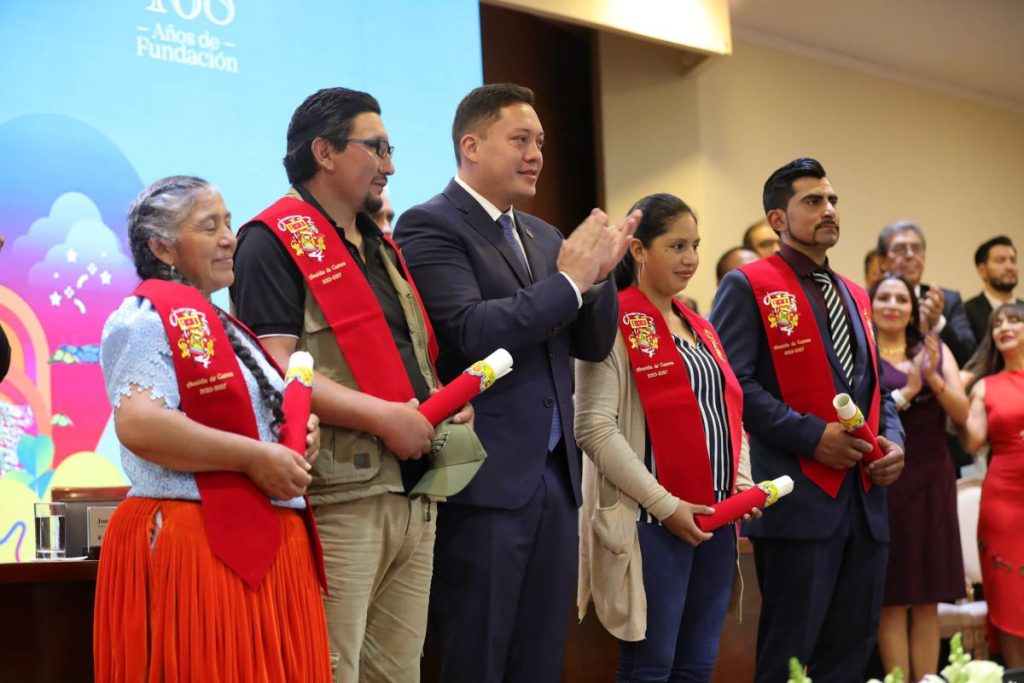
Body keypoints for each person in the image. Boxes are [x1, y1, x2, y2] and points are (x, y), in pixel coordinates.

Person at [395, 83, 639, 683]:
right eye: (520, 140)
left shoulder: (543, 235)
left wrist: (600, 278)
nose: (535, 154)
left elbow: (586, 343)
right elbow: (469, 331)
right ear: (471, 146)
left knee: (539, 658)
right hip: (484, 479)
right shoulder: (429, 224)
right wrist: (569, 284)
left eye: (541, 142)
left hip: (554, 479)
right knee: (476, 654)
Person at [231, 87, 474, 683]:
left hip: (414, 491)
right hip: (339, 496)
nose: (390, 166)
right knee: (328, 669)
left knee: (397, 673)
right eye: (378, 148)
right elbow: (274, 371)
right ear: (325, 152)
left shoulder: (381, 246)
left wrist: (441, 402)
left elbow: (409, 355)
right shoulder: (269, 240)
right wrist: (385, 416)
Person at [94, 176, 330, 682]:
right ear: (162, 247)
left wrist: (290, 436)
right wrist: (253, 456)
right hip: (198, 545)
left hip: (262, 545)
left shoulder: (224, 324)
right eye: (210, 227)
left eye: (228, 222)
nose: (230, 237)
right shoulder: (144, 320)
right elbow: (140, 424)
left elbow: (251, 422)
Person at [709, 158, 905, 683]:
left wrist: (894, 439)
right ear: (778, 219)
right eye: (813, 202)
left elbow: (878, 389)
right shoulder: (747, 284)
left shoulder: (855, 293)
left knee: (852, 653)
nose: (829, 211)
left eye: (832, 200)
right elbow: (735, 385)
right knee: (791, 656)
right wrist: (811, 435)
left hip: (865, 502)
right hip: (800, 500)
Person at [576, 193, 758, 683]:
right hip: (651, 521)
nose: (691, 259)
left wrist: (741, 483)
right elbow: (592, 426)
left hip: (715, 518)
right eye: (676, 246)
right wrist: (664, 504)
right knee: (650, 669)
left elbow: (729, 411)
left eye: (695, 245)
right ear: (637, 250)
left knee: (697, 668)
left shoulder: (700, 326)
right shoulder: (610, 320)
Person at [869, 272, 969, 680]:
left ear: (913, 309)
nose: (893, 305)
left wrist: (932, 380)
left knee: (927, 596)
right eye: (884, 298)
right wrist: (908, 391)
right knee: (891, 597)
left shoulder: (932, 347)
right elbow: (859, 415)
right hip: (885, 480)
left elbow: (962, 414)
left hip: (931, 477)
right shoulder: (861, 349)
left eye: (902, 299)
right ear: (870, 306)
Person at [959, 302, 1024, 668]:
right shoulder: (984, 385)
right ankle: (1016, 673)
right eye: (997, 323)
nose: (1004, 327)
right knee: (1011, 594)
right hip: (1004, 500)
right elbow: (972, 442)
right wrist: (952, 393)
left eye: (1014, 320)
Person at [877, 221, 976, 366]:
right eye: (900, 249)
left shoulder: (947, 300)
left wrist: (937, 322)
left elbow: (970, 355)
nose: (910, 255)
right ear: (882, 261)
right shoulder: (867, 300)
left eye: (916, 249)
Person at [964, 236, 1020, 345]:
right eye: (1000, 261)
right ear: (982, 270)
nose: (1010, 267)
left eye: (1013, 260)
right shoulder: (966, 312)